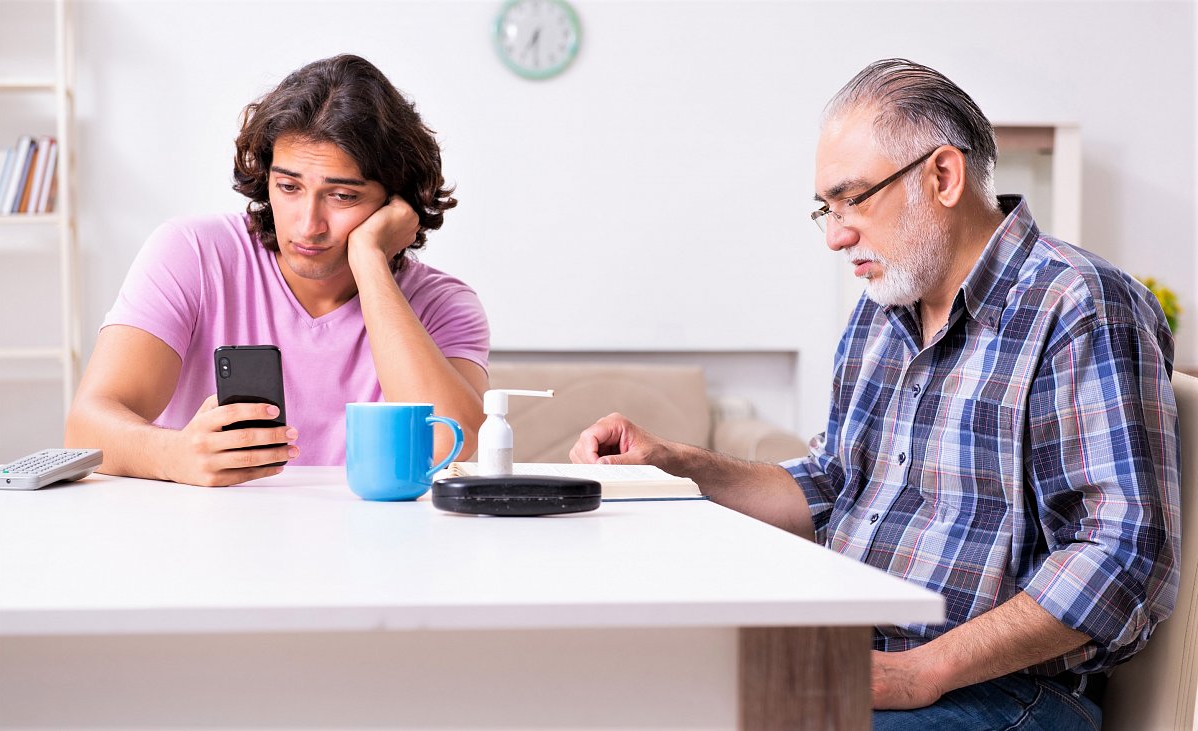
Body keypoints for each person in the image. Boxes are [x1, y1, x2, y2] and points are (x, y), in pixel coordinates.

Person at [570, 59, 1179, 730]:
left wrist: (923, 671)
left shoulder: (1080, 304)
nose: (835, 235)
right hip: (866, 659)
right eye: (824, 209)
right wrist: (679, 465)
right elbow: (831, 486)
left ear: (942, 176)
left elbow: (1122, 554)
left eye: (853, 198)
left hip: (1004, 691)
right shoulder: (881, 310)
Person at [65, 54, 489, 486]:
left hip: (372, 543)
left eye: (342, 196)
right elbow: (86, 428)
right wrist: (174, 455)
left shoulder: (444, 304)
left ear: (396, 202)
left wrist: (369, 262)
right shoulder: (193, 253)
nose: (308, 225)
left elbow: (452, 447)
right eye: (288, 187)